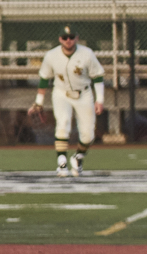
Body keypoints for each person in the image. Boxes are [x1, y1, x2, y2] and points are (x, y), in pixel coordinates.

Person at [32, 26, 106, 176]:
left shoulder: (87, 54)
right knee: (63, 123)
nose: (68, 41)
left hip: (83, 93)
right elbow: (44, 79)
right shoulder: (51, 55)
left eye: (71, 37)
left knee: (88, 135)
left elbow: (98, 76)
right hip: (61, 93)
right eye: (65, 38)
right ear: (60, 39)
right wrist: (39, 101)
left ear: (77, 38)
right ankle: (62, 164)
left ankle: (78, 157)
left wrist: (100, 100)